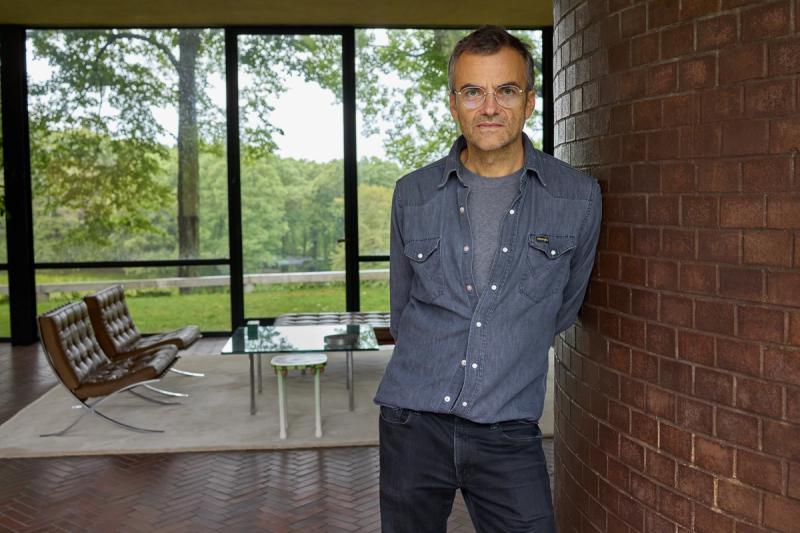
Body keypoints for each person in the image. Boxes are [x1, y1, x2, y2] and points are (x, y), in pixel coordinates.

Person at [373, 25, 602, 532]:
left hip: (508, 427)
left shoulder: (578, 197)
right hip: (413, 421)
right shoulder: (413, 193)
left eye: (507, 90)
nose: (490, 106)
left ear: (530, 101)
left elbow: (563, 306)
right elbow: (403, 304)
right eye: (473, 91)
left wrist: (506, 341)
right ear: (453, 103)